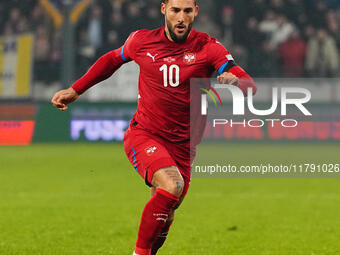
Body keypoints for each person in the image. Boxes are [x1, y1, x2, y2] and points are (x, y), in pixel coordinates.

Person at [51, 0, 257, 254]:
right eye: (175, 10)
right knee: (172, 185)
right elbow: (111, 60)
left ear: (196, 12)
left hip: (183, 146)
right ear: (164, 10)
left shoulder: (209, 47)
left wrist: (236, 81)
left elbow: (250, 86)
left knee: (165, 216)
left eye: (187, 11)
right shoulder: (142, 41)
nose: (181, 18)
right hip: (145, 134)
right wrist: (75, 90)